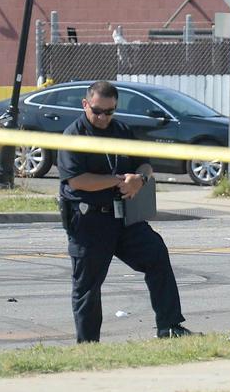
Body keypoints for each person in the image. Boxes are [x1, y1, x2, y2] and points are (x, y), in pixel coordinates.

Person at [57, 80, 197, 343]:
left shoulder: (121, 131)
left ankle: (169, 326)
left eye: (109, 112)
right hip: (89, 220)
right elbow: (77, 180)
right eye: (97, 111)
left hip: (123, 217)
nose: (102, 117)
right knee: (88, 285)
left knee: (156, 254)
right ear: (85, 104)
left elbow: (145, 164)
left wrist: (140, 179)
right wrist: (121, 180)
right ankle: (88, 346)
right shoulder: (74, 135)